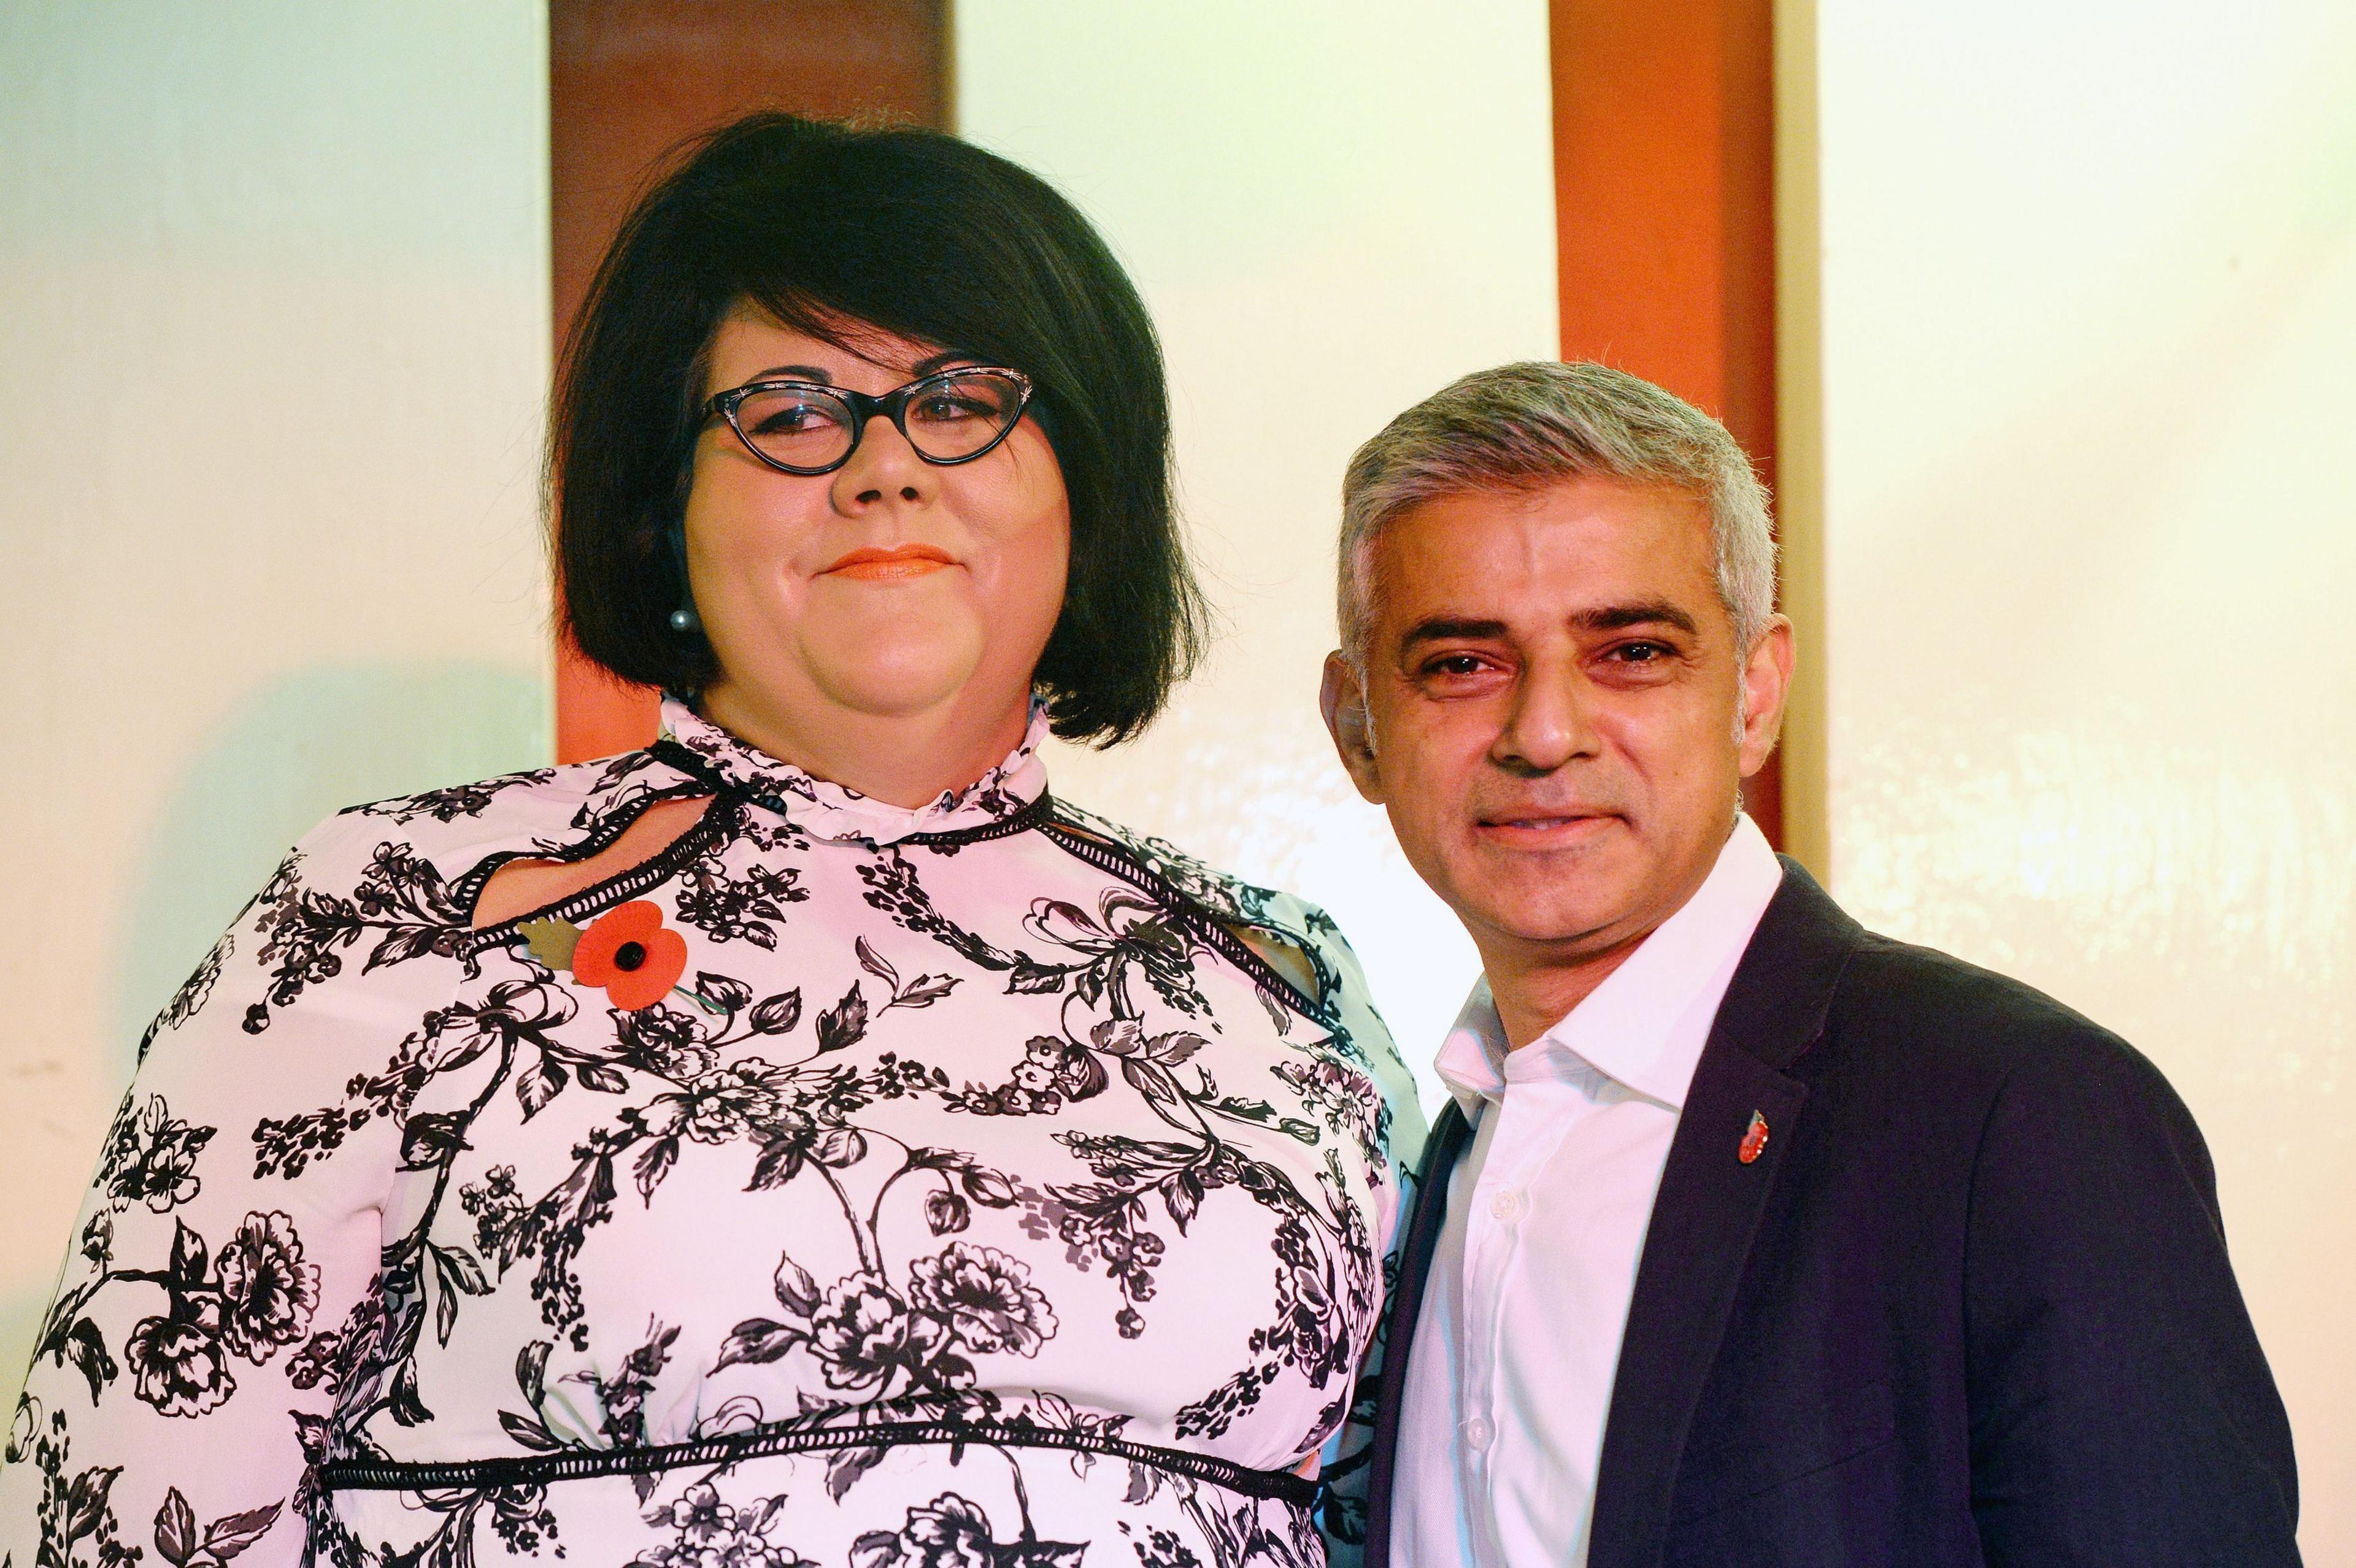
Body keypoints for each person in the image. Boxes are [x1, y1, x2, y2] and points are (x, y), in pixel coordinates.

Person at [0, 113, 1422, 1568]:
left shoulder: (1279, 980)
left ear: (1091, 479)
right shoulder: (402, 911)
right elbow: (126, 1520)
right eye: (792, 410)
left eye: (962, 399)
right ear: (662, 499)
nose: (884, 470)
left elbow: (1414, 1515)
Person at [1320, 361, 2300, 1566]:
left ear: (1757, 692)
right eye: (1462, 662)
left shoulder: (2019, 1116)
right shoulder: (1413, 1160)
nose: (1544, 732)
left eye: (1631, 651)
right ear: (1358, 724)